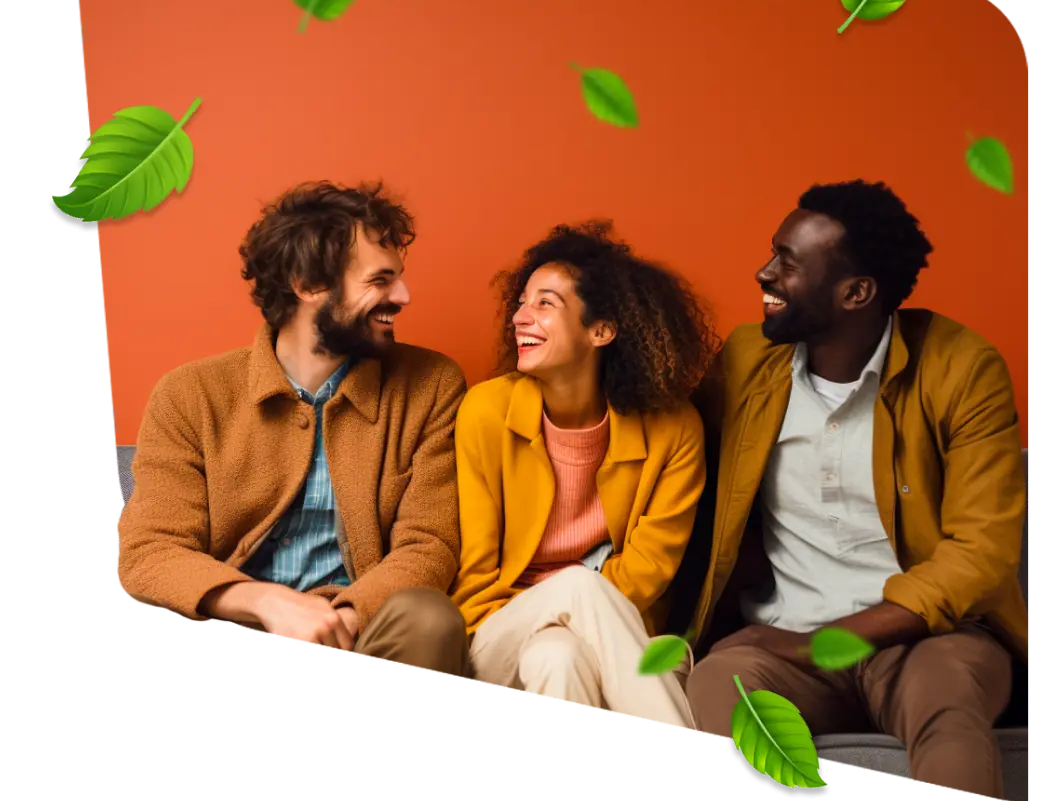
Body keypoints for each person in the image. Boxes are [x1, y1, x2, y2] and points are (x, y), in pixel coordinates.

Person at [681, 180, 1030, 799]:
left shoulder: (962, 369)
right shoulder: (745, 364)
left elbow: (981, 552)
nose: (764, 273)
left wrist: (821, 643)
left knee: (947, 704)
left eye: (788, 262)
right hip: (785, 645)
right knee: (719, 685)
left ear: (856, 292)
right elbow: (667, 450)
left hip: (926, 641)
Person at [116, 180, 470, 677]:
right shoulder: (190, 394)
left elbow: (429, 544)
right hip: (237, 614)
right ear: (307, 285)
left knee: (430, 619)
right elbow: (149, 552)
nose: (404, 296)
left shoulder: (432, 384)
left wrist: (341, 616)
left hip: (363, 627)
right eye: (380, 280)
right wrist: (268, 604)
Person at [450, 221, 719, 728]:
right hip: (495, 629)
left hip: (609, 638)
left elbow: (647, 573)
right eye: (522, 301)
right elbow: (476, 573)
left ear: (601, 330)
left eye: (545, 304)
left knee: (558, 658)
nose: (520, 317)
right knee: (578, 588)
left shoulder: (674, 429)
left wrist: (572, 618)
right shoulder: (485, 411)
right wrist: (563, 599)